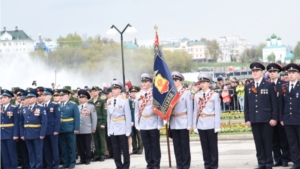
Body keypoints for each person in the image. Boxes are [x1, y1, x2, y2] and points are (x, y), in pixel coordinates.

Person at [244, 62, 278, 169]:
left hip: (266, 119)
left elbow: (274, 103)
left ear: (262, 72)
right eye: (253, 71)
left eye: (257, 71)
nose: (255, 73)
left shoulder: (268, 85)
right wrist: (247, 118)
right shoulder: (248, 86)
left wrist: (274, 117)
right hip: (254, 118)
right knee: (258, 142)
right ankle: (261, 162)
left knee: (267, 142)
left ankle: (268, 162)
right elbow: (246, 104)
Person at [135, 73, 164, 169]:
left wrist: (160, 123)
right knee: (147, 146)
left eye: (146, 81)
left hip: (153, 122)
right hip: (143, 122)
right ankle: (149, 163)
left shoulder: (155, 94)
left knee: (155, 145)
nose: (144, 83)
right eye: (142, 82)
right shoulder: (138, 95)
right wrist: (137, 123)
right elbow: (136, 111)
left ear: (150, 83)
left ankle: (156, 164)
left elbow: (159, 109)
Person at [193, 73, 221, 169]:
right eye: (201, 82)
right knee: (204, 146)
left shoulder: (214, 95)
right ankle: (207, 164)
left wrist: (217, 126)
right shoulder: (197, 96)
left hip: (211, 123)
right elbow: (195, 111)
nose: (202, 84)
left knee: (213, 146)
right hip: (201, 123)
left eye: (205, 82)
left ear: (209, 84)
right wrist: (195, 125)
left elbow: (217, 111)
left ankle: (214, 165)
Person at [267, 63, 290, 167]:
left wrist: (282, 116)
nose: (272, 74)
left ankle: (285, 159)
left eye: (274, 72)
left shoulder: (283, 84)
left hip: (281, 116)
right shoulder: (266, 84)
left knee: (283, 138)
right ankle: (277, 159)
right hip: (271, 117)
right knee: (273, 140)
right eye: (270, 72)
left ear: (278, 73)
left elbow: (285, 102)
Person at [170, 71, 193, 169]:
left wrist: (189, 123)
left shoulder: (186, 93)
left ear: (180, 81)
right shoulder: (170, 94)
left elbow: (189, 109)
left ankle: (186, 165)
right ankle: (179, 164)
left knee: (184, 146)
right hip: (173, 122)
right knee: (177, 146)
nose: (174, 82)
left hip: (183, 121)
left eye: (176, 80)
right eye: (173, 80)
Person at [107, 80, 132, 169]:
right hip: (113, 128)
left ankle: (126, 165)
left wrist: (128, 130)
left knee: (125, 149)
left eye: (115, 88)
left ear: (120, 90)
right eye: (112, 88)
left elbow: (128, 116)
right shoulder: (109, 101)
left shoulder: (124, 101)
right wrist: (109, 130)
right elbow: (108, 117)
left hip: (122, 128)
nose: (113, 90)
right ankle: (118, 165)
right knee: (115, 149)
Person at [279, 63, 300, 169]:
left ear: (298, 74)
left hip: (299, 119)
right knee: (292, 143)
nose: (290, 75)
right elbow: (281, 104)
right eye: (289, 73)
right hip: (288, 119)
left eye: (293, 73)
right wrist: (281, 118)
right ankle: (296, 163)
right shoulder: (284, 87)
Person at [20, 89, 47, 169]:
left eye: (31, 97)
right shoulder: (24, 109)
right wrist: (22, 134)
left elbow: (44, 122)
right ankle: (32, 166)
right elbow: (21, 123)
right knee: (30, 152)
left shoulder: (40, 108)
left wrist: (42, 134)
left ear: (36, 98)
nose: (29, 99)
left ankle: (38, 167)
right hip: (27, 134)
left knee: (38, 153)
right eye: (27, 97)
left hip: (37, 133)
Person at [59, 89, 80, 169]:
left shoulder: (73, 105)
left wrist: (76, 128)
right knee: (63, 147)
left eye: (63, 95)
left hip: (70, 129)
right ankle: (65, 163)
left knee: (71, 147)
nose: (61, 97)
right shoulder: (58, 105)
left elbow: (77, 117)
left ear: (68, 96)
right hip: (61, 129)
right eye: (60, 96)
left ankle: (72, 163)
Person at [76, 89, 97, 165]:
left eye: (83, 97)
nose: (81, 99)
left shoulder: (91, 107)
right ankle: (82, 158)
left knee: (87, 145)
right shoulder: (77, 107)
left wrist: (93, 128)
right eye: (80, 98)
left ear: (86, 98)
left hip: (87, 128)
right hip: (79, 129)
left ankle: (88, 158)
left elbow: (94, 118)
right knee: (80, 145)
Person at [1, 89, 19, 169]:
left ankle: (13, 167)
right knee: (4, 154)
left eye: (5, 97)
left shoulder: (13, 108)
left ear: (9, 99)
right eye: (2, 97)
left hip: (10, 133)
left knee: (12, 153)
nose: (3, 99)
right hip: (1, 134)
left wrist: (15, 134)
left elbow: (16, 122)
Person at [43, 88, 61, 169]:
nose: (44, 96)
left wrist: (56, 130)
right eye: (43, 95)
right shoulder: (40, 106)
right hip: (44, 131)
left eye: (46, 95)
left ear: (50, 96)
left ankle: (56, 165)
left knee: (54, 149)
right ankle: (49, 165)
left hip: (53, 130)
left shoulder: (55, 105)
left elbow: (58, 118)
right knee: (46, 150)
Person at [89, 86, 106, 162]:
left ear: (98, 91)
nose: (94, 92)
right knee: (95, 139)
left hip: (100, 121)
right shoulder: (90, 102)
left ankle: (102, 155)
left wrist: (104, 123)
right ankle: (97, 155)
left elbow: (104, 113)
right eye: (92, 91)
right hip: (93, 122)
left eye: (95, 91)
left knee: (101, 139)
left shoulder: (102, 101)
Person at [129, 86, 143, 155]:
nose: (133, 94)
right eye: (132, 92)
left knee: (139, 135)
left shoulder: (140, 101)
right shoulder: (128, 101)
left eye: (135, 92)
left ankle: (140, 148)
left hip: (138, 120)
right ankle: (134, 149)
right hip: (131, 121)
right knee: (133, 136)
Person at [102, 88, 114, 159]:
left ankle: (115, 153)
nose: (106, 95)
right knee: (108, 138)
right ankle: (111, 152)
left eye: (107, 93)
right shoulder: (105, 102)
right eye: (105, 94)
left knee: (114, 139)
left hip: (114, 121)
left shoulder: (113, 100)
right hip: (107, 122)